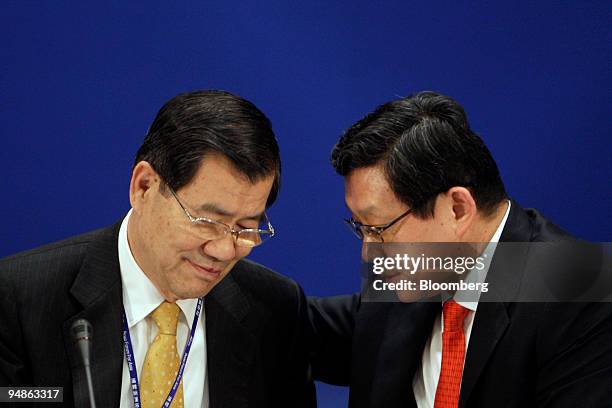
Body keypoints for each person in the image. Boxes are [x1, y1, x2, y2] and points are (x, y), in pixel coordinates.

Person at [0, 90, 315, 407]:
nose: (223, 250)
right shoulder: (19, 298)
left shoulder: (276, 309)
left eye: (245, 228)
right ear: (144, 187)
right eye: (206, 221)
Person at [309, 91, 612, 407]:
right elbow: (286, 318)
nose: (368, 254)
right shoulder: (407, 284)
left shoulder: (583, 298)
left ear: (457, 209)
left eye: (379, 229)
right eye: (360, 228)